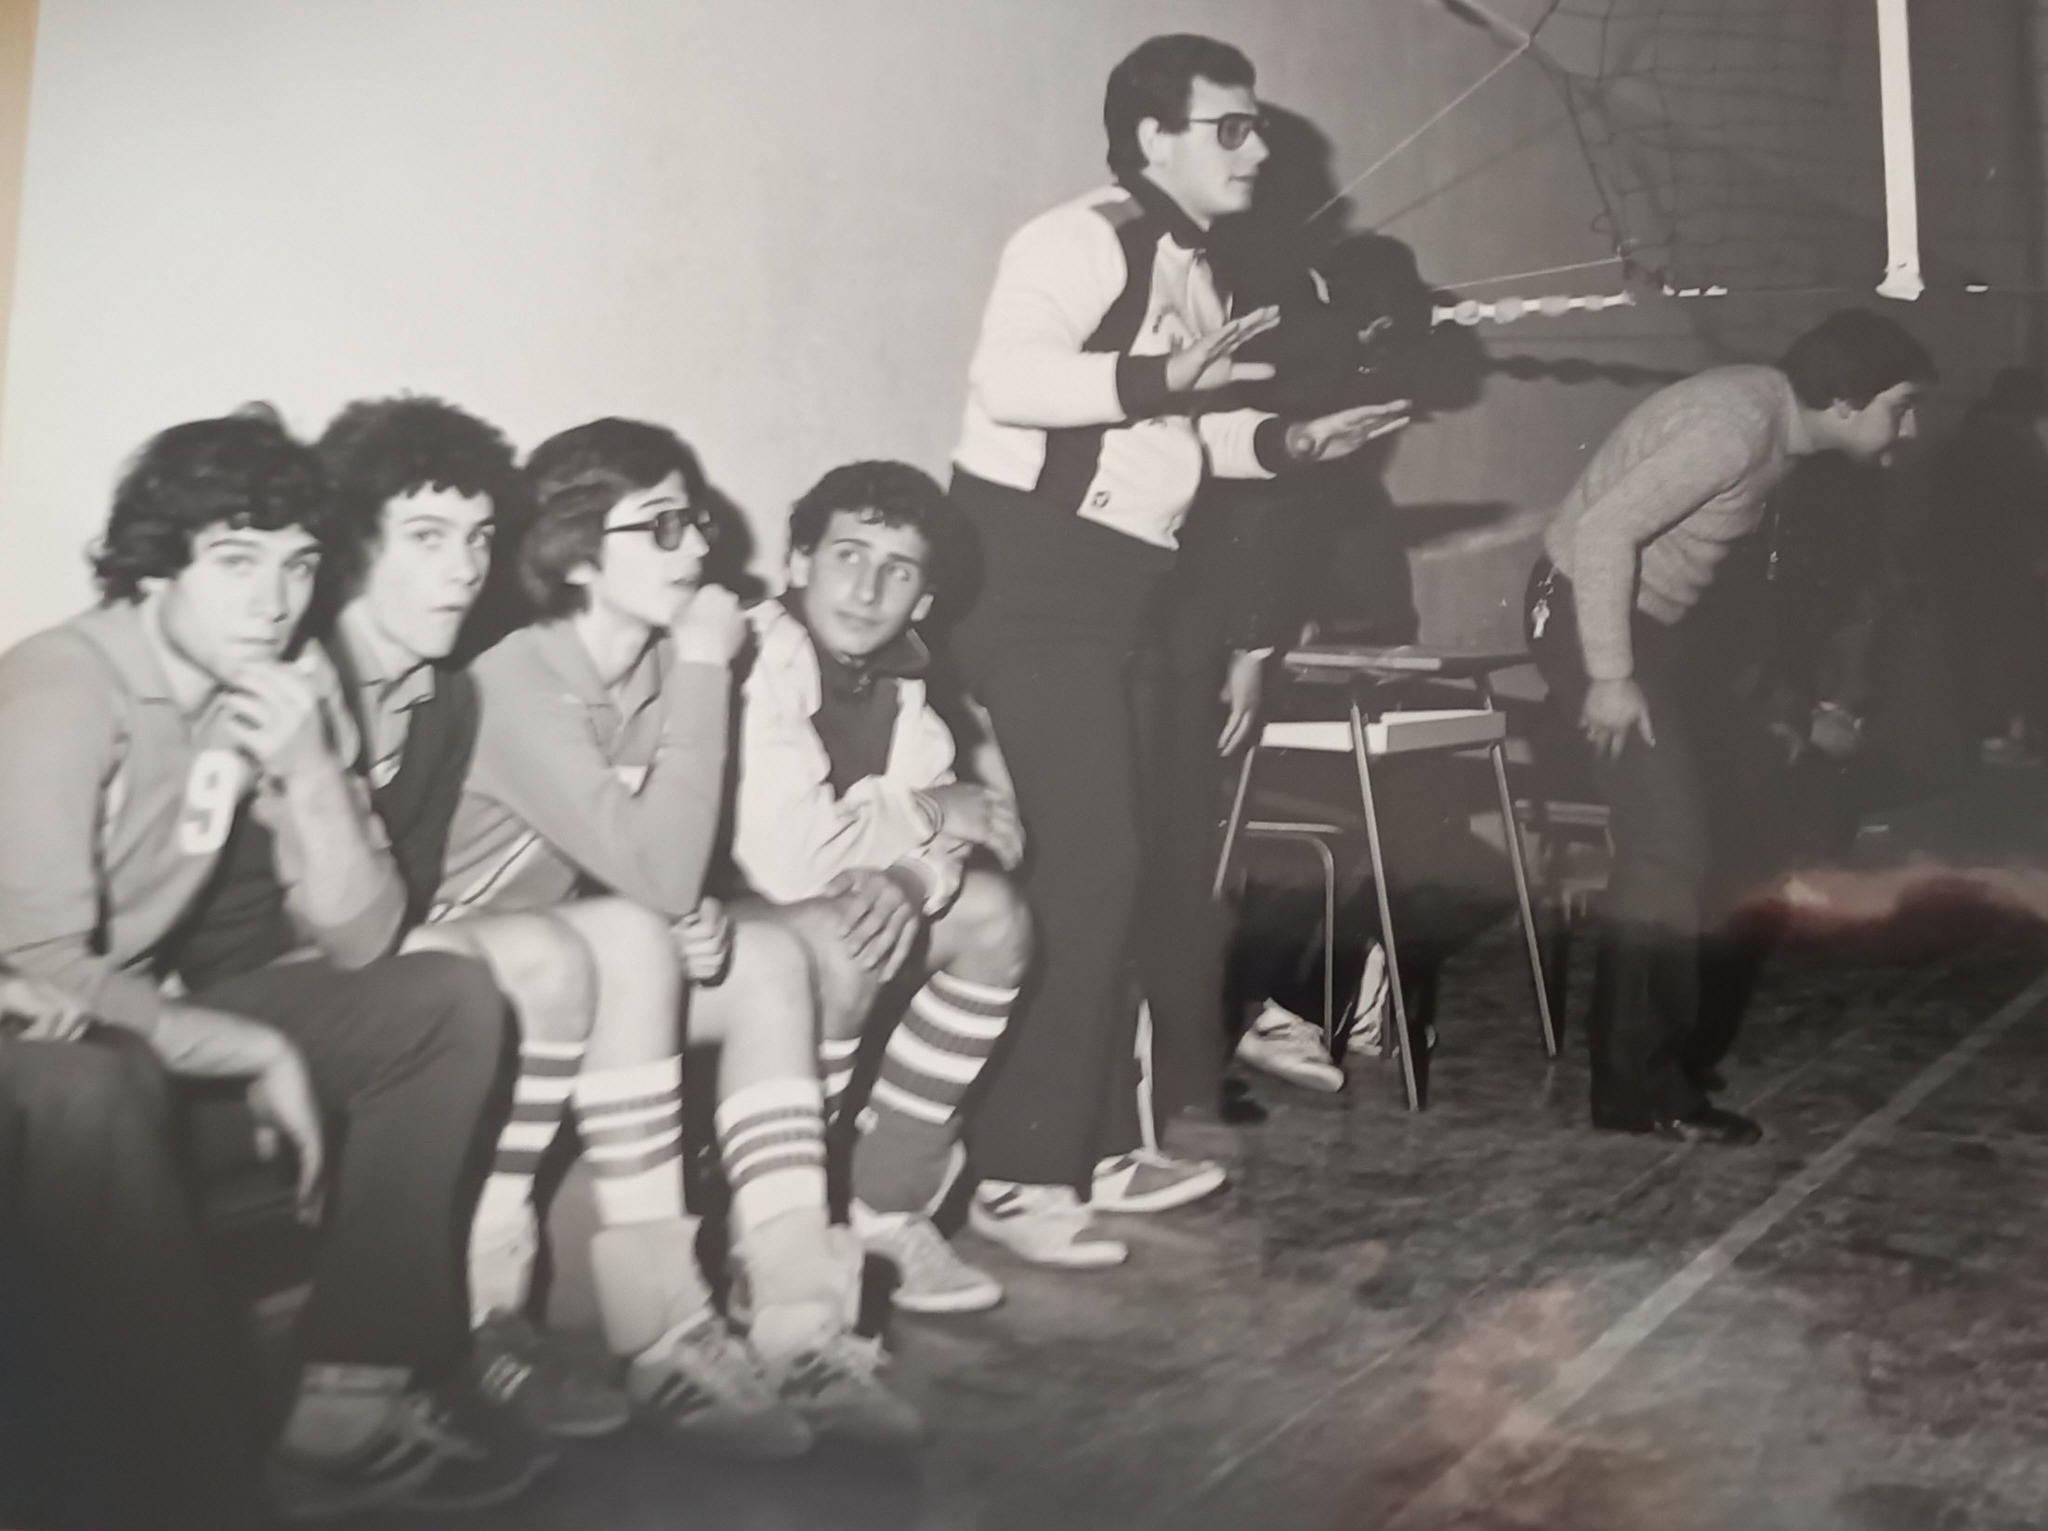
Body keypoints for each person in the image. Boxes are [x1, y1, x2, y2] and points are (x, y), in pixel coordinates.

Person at [162, 396, 821, 1456]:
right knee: (584, 945)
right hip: (280, 985)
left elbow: (431, 897)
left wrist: (678, 907)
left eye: (476, 538)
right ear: (352, 546)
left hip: (404, 965)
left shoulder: (439, 698)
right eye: (427, 538)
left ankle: (746, 1325)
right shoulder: (308, 674)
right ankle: (499, 1310)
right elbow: (331, 927)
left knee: (715, 948)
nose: (464, 570)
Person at [0, 409, 545, 1520]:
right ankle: (186, 1484)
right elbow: (39, 959)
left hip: (118, 1022)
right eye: (237, 561)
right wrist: (250, 1049)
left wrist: (309, 773)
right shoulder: (68, 682)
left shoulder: (281, 679)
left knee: (442, 999)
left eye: (297, 565)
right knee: (94, 1079)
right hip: (37, 1034)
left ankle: (349, 1401)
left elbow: (362, 938)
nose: (273, 600)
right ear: (157, 564)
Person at [946, 32, 1409, 1265]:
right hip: (1032, 581)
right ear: (1152, 137)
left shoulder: (1192, 268)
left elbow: (1188, 437)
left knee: (1132, 867)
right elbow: (1009, 380)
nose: (1254, 151)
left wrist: (1294, 445)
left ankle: (1096, 1146)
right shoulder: (1078, 237)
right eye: (1229, 127)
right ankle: (1016, 1172)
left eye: (1257, 127)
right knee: (1089, 864)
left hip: (1126, 591)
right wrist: (1161, 376)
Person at [437, 417, 921, 1447]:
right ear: (576, 552)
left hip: (577, 951)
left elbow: (656, 855)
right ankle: (665, 1334)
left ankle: (798, 1320)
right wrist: (705, 665)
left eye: (694, 520)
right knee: (632, 935)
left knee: (770, 960)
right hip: (456, 970)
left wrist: (685, 910)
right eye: (660, 525)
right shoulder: (519, 678)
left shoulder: (657, 666)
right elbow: (650, 866)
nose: (698, 546)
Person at [1525, 308, 1935, 1143]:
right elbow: (1602, 533)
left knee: (1701, 837)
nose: (1912, 427)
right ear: (1846, 400)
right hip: (1590, 616)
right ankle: (1641, 1090)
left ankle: (1646, 1060)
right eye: (1901, 406)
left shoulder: (1772, 418)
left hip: (1649, 628)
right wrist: (1611, 676)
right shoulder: (1734, 429)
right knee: (1667, 843)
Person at [731, 461, 1031, 1306]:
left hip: (813, 913)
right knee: (847, 931)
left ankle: (885, 1205)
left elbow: (974, 838)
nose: (867, 590)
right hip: (704, 923)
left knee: (995, 917)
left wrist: (908, 872)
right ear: (799, 562)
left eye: (898, 571)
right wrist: (930, 812)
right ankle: (785, 1231)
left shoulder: (901, 682)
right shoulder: (760, 656)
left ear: (924, 599)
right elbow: (787, 860)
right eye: (848, 556)